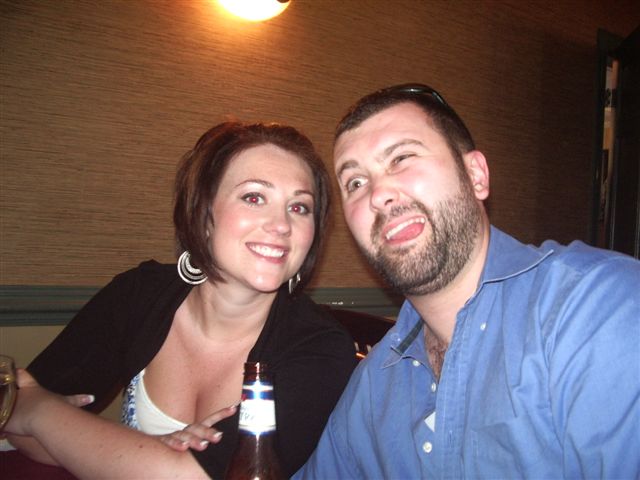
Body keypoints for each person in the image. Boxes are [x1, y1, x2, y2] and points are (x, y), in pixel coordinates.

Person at [295, 84, 640, 479]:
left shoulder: (600, 310)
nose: (377, 194)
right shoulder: (374, 384)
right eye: (355, 183)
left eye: (402, 158)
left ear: (475, 176)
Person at [5, 121, 358, 479]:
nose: (281, 225)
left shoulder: (321, 347)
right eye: (254, 198)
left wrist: (41, 413)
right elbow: (19, 424)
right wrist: (151, 454)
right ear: (204, 214)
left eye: (299, 207)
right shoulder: (139, 294)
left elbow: (196, 477)